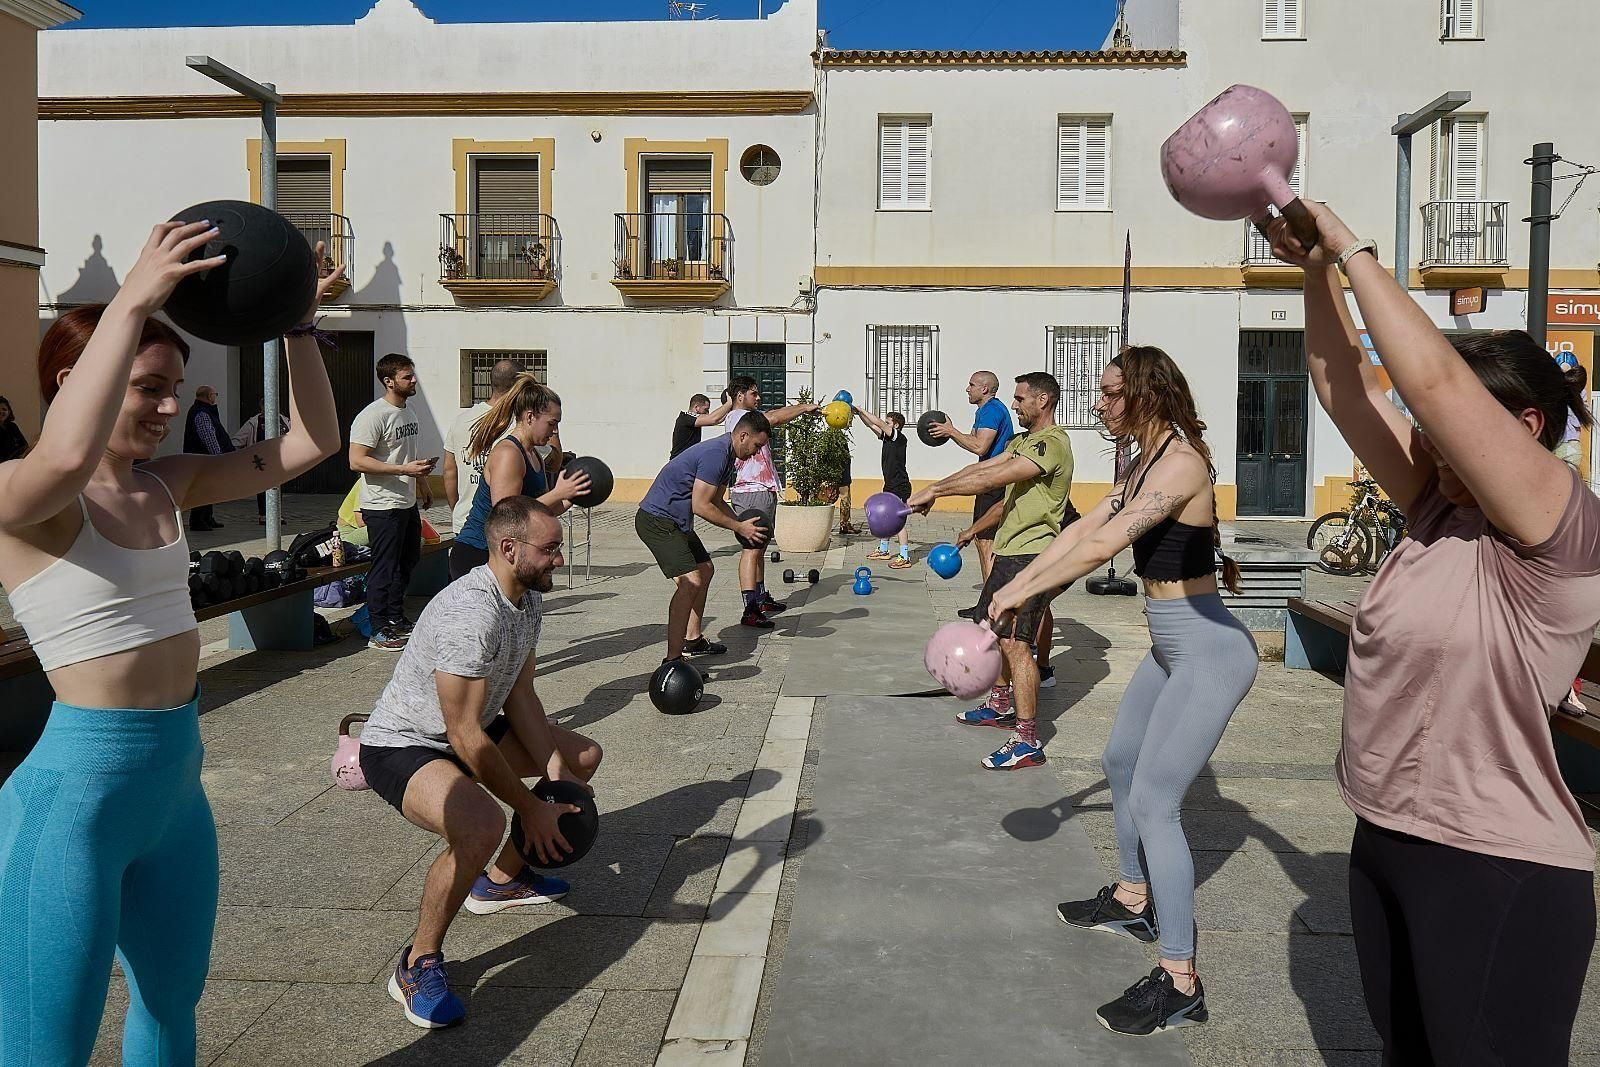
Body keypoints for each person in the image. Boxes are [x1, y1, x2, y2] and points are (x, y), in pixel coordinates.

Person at [0, 221, 343, 1065]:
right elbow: (69, 450)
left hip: (176, 795)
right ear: (77, 379)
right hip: (72, 810)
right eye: (148, 386)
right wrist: (133, 297)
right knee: (47, 1047)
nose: (167, 408)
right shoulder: (25, 496)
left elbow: (314, 443)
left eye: (175, 388)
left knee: (169, 1008)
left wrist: (296, 324)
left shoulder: (170, 482)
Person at [1265, 202, 1600, 1064]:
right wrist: (1311, 272)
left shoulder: (1559, 529)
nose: (1425, 436)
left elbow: (1435, 387)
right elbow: (1346, 387)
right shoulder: (1436, 508)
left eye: (1449, 432)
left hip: (1496, 865)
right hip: (1389, 842)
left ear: (1523, 428)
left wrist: (1352, 249)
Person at [985, 347, 1254, 1036]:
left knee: (1155, 802)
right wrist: (1015, 582)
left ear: (1146, 393)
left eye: (1110, 393)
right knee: (1119, 762)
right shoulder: (1140, 463)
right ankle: (1135, 895)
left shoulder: (1182, 463)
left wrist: (1021, 588)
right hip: (1170, 644)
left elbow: (1102, 550)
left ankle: (1180, 979)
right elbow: (1081, 529)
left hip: (1208, 650)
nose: (1100, 405)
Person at [359, 496, 603, 1030]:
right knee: (481, 823)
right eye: (550, 549)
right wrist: (531, 808)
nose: (558, 559)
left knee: (581, 758)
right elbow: (463, 735)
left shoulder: (526, 597)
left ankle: (498, 882)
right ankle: (416, 964)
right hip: (406, 743)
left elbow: (521, 695)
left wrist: (558, 780)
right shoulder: (472, 613)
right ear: (510, 548)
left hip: (471, 724)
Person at [906, 372, 1071, 771]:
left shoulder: (1052, 444)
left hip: (1034, 557)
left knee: (1015, 644)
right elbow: (984, 476)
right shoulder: (1021, 442)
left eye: (1020, 399)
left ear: (1043, 400)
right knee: (989, 628)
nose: (1014, 406)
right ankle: (999, 706)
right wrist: (936, 489)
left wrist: (936, 492)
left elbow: (994, 477)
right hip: (1010, 552)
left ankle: (1028, 739)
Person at [636, 412, 773, 664]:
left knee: (705, 569)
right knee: (691, 582)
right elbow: (700, 505)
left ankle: (693, 638)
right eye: (756, 446)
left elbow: (716, 502)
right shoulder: (716, 454)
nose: (756, 453)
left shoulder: (728, 456)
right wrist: (739, 528)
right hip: (657, 519)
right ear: (743, 436)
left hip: (677, 522)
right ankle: (673, 660)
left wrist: (739, 523)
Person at [448, 375, 591, 580]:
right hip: (478, 555)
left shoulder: (534, 455)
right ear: (530, 416)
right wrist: (559, 492)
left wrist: (572, 496)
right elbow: (506, 516)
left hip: (507, 556)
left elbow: (540, 509)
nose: (554, 431)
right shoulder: (509, 454)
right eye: (552, 423)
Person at [349, 353, 436, 651]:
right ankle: (378, 628)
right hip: (381, 505)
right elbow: (356, 461)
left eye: (413, 375)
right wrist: (403, 471)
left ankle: (396, 617)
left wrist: (422, 482)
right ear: (388, 381)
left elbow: (408, 456)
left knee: (408, 560)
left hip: (405, 501)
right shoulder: (373, 416)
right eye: (406, 376)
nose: (413, 381)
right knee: (384, 567)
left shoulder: (408, 412)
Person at [721, 376, 820, 629]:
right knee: (751, 549)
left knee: (761, 548)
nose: (759, 397)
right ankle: (750, 608)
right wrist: (803, 407)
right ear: (740, 395)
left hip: (762, 490)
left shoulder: (748, 417)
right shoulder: (736, 418)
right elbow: (773, 417)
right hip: (750, 491)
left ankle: (761, 596)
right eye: (754, 393)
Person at [957, 491, 1083, 688]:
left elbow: (1002, 506)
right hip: (1068, 548)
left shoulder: (1031, 475)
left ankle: (1005, 695)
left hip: (1062, 549)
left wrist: (971, 530)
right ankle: (1042, 669)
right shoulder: (1036, 475)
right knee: (1041, 604)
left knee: (1022, 624)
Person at [925, 371, 1015, 617]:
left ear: (985, 389)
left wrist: (951, 432)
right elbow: (974, 441)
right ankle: (989, 603)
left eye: (972, 385)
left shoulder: (992, 411)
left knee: (987, 543)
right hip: (992, 480)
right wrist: (951, 431)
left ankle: (992, 606)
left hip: (995, 482)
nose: (967, 388)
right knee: (984, 542)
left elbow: (979, 446)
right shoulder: (986, 411)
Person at [443, 358, 519, 534]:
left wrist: (458, 510)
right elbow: (552, 462)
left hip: (466, 522)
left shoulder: (461, 420)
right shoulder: (520, 423)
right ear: (518, 387)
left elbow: (449, 471)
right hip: (504, 526)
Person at [853, 407, 913, 567]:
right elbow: (871, 425)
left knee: (897, 521)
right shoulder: (887, 438)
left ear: (896, 426)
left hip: (900, 486)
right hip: (890, 484)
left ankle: (904, 557)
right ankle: (884, 550)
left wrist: (861, 409)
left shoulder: (898, 437)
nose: (883, 425)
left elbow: (877, 422)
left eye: (888, 423)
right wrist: (859, 415)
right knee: (885, 517)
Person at [181, 383, 233, 530]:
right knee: (202, 490)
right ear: (209, 396)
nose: (215, 397)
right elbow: (208, 436)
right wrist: (218, 456)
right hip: (203, 459)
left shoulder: (203, 411)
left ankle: (207, 517)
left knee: (209, 489)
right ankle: (198, 520)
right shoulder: (201, 413)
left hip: (203, 459)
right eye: (214, 394)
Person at [232, 408, 289, 524]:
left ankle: (276, 514)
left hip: (279, 458)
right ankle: (263, 515)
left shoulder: (283, 420)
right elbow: (237, 441)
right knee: (263, 486)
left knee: (277, 486)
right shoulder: (253, 422)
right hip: (261, 459)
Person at [671, 392, 732, 459]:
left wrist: (729, 411)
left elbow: (717, 421)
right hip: (678, 461)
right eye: (706, 409)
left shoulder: (693, 419)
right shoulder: (685, 417)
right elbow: (712, 419)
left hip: (687, 460)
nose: (707, 413)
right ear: (696, 407)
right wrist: (729, 403)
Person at [0, 395, 28, 463]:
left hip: (15, 463)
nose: (1, 412)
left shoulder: (13, 426)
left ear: (9, 412)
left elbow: (24, 446)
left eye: (4, 409)